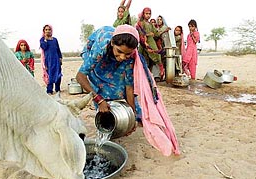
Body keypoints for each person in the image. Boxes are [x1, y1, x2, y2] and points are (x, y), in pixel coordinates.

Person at [76, 25, 180, 156]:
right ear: (113, 43)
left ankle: (121, 118)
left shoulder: (130, 56)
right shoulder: (101, 46)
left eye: (127, 54)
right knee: (101, 88)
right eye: (119, 51)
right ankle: (105, 119)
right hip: (97, 56)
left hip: (113, 55)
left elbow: (128, 87)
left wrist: (132, 115)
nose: (122, 57)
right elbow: (80, 76)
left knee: (118, 88)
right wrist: (99, 99)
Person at [136, 7, 164, 82]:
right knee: (141, 59)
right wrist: (147, 35)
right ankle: (140, 77)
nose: (148, 15)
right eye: (146, 13)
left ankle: (149, 76)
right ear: (143, 14)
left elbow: (156, 33)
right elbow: (140, 34)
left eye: (149, 14)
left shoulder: (150, 24)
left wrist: (164, 30)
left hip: (150, 42)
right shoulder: (141, 23)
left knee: (156, 56)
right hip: (144, 43)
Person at [40, 24, 63, 94]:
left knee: (58, 74)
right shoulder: (42, 40)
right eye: (46, 30)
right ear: (44, 31)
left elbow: (58, 49)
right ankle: (49, 90)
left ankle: (57, 89)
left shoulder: (55, 40)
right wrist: (46, 39)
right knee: (49, 74)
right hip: (48, 61)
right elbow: (44, 47)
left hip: (56, 60)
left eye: (49, 30)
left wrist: (60, 58)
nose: (48, 31)